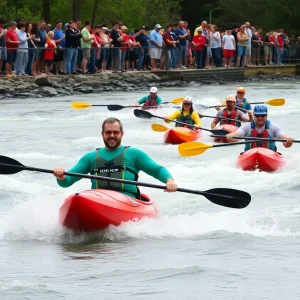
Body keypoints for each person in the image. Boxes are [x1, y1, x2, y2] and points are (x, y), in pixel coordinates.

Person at [53, 117, 177, 199]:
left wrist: (169, 180)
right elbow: (68, 181)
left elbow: (157, 170)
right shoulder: (90, 157)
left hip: (128, 200)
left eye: (115, 132)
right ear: (102, 134)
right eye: (108, 132)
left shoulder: (134, 154)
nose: (112, 136)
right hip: (98, 198)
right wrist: (61, 176)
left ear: (122, 134)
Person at [226, 105, 294, 151]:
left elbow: (285, 143)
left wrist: (289, 140)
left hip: (270, 155)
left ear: (266, 115)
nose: (260, 118)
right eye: (257, 116)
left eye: (262, 115)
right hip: (249, 154)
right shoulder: (246, 127)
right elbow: (236, 136)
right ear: (254, 115)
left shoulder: (274, 127)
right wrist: (231, 136)